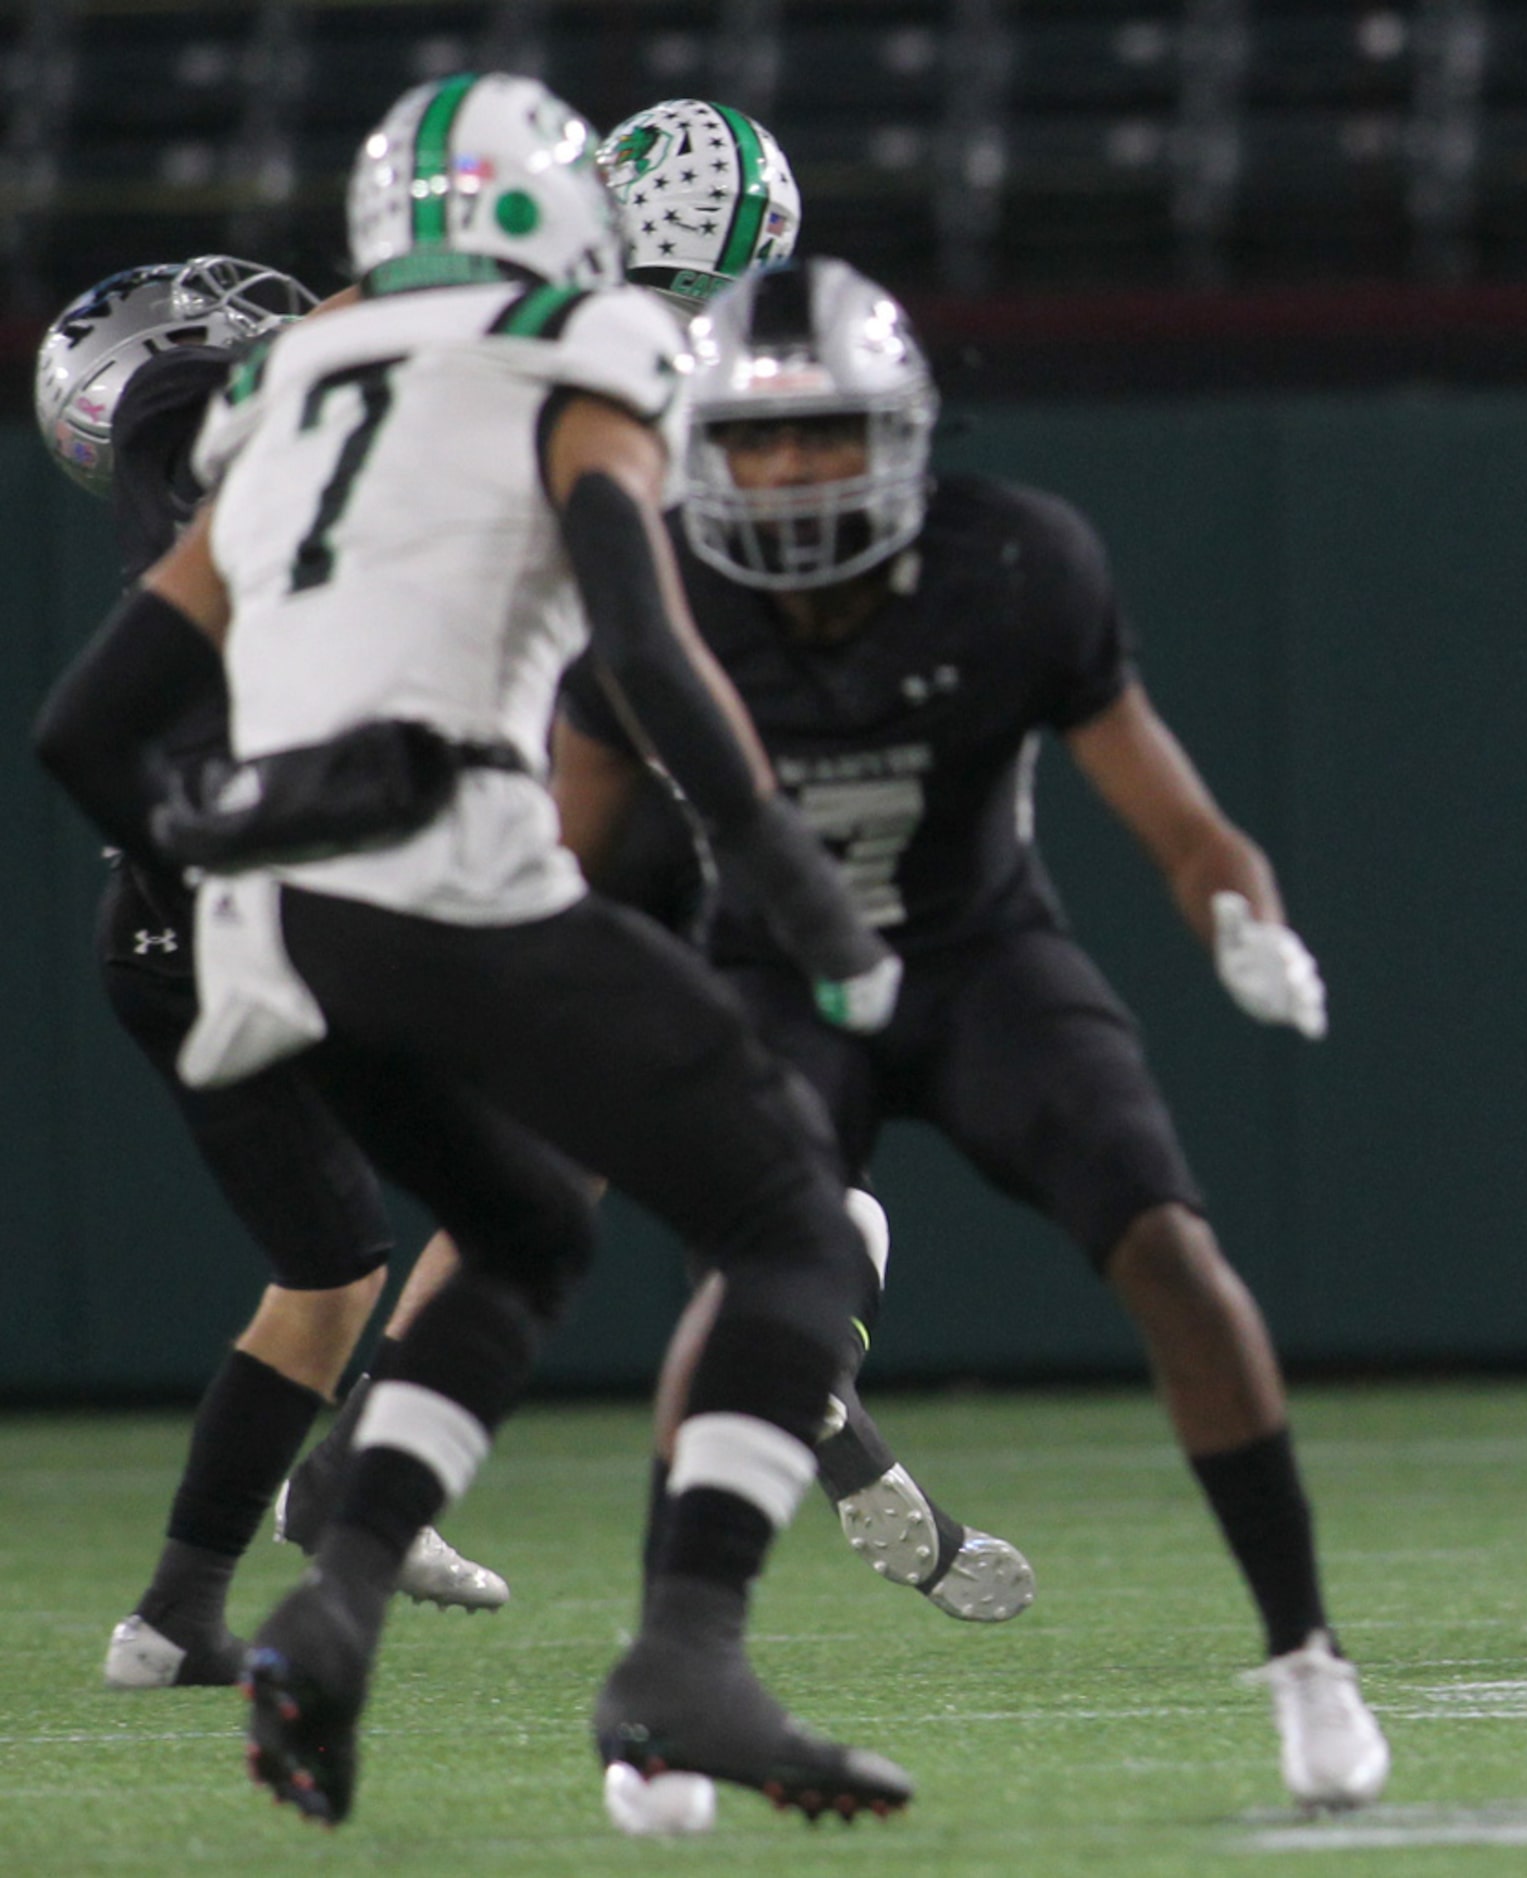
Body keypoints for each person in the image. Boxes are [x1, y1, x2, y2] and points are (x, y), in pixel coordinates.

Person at [33, 73, 916, 1825]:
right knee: (795, 1215)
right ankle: (687, 1655)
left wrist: (219, 834)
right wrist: (790, 876)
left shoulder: (278, 391)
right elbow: (652, 652)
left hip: (271, 930)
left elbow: (85, 728)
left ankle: (335, 1594)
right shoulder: (598, 350)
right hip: (457, 876)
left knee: (514, 1227)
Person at [546, 255, 1387, 1811]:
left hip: (976, 953)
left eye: (827, 435)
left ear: (907, 434)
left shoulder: (1015, 562)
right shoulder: (653, 592)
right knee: (748, 1286)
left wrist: (1241, 917)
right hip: (770, 978)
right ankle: (679, 1667)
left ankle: (1305, 1657)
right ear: (701, 451)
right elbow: (564, 863)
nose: (792, 473)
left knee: (1166, 1245)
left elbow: (1181, 818)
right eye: (760, 442)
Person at [267, 93, 1038, 1628]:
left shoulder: (476, 320)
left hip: (429, 756)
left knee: (562, 1161)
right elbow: (690, 627)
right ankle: (805, 1408)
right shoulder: (662, 374)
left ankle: (359, 1467)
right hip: (621, 770)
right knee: (786, 1153)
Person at [32, 255, 508, 1694]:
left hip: (183, 919)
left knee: (329, 1273)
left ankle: (175, 1615)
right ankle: (374, 1471)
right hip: (267, 901)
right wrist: (427, 268)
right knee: (536, 1167)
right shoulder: (193, 399)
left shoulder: (252, 473)